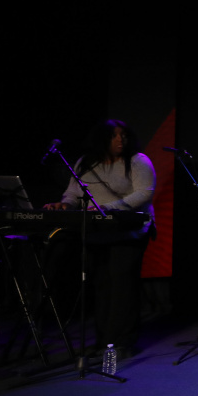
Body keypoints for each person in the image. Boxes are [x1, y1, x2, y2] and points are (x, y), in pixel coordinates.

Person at [45, 118, 156, 357]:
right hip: (98, 232)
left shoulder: (138, 161)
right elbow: (73, 193)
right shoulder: (85, 162)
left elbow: (144, 194)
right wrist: (64, 205)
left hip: (129, 231)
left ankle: (123, 341)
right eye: (114, 135)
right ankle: (104, 340)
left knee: (122, 285)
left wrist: (110, 207)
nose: (120, 139)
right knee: (102, 286)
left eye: (123, 135)